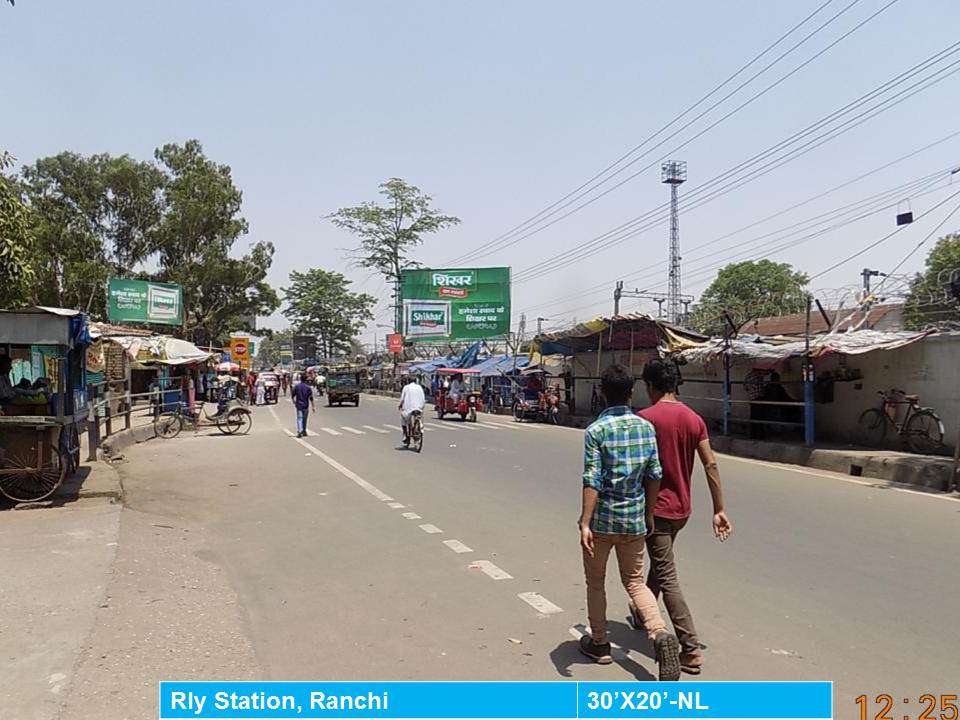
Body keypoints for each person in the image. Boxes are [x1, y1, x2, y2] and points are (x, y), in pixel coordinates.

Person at [578, 363, 681, 681]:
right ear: (631, 392)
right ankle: (660, 633)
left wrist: (585, 522)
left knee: (596, 583)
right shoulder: (644, 428)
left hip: (602, 522)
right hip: (634, 520)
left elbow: (592, 479)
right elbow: (654, 475)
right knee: (635, 582)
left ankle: (599, 643)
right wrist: (649, 513)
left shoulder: (596, 430)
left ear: (602, 393)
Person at [632, 358, 733, 676]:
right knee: (661, 563)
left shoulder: (645, 418)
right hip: (682, 510)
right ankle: (641, 611)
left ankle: (689, 649)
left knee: (667, 575)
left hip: (655, 510)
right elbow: (711, 464)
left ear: (650, 386)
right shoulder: (694, 419)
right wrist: (719, 508)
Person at [398, 375, 426, 447]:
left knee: (403, 420)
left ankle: (406, 436)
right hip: (419, 407)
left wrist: (400, 405)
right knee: (418, 417)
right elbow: (423, 398)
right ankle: (418, 430)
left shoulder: (406, 387)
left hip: (409, 409)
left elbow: (402, 398)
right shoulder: (420, 387)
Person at [293, 374, 316, 438]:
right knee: (304, 419)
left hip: (299, 405)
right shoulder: (308, 387)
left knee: (299, 418)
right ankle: (303, 430)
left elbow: (293, 395)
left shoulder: (297, 387)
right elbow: (311, 398)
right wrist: (313, 406)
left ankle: (300, 431)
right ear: (306, 380)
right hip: (305, 405)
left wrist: (294, 402)